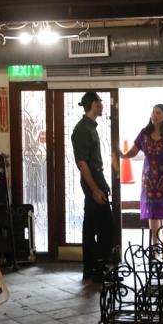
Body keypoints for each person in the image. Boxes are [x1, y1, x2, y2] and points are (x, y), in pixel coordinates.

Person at [118, 103, 163, 251]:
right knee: (153, 212)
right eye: (153, 112)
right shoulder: (144, 133)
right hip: (150, 180)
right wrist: (122, 155)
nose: (154, 115)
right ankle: (154, 246)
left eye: (158, 113)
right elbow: (133, 151)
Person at [71, 91, 114, 281]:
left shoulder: (91, 127)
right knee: (104, 225)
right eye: (101, 102)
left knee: (93, 223)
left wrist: (103, 184)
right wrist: (95, 189)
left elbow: (94, 162)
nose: (103, 105)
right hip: (91, 179)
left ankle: (94, 267)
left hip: (97, 177)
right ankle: (95, 266)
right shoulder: (81, 130)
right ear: (95, 104)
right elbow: (82, 163)